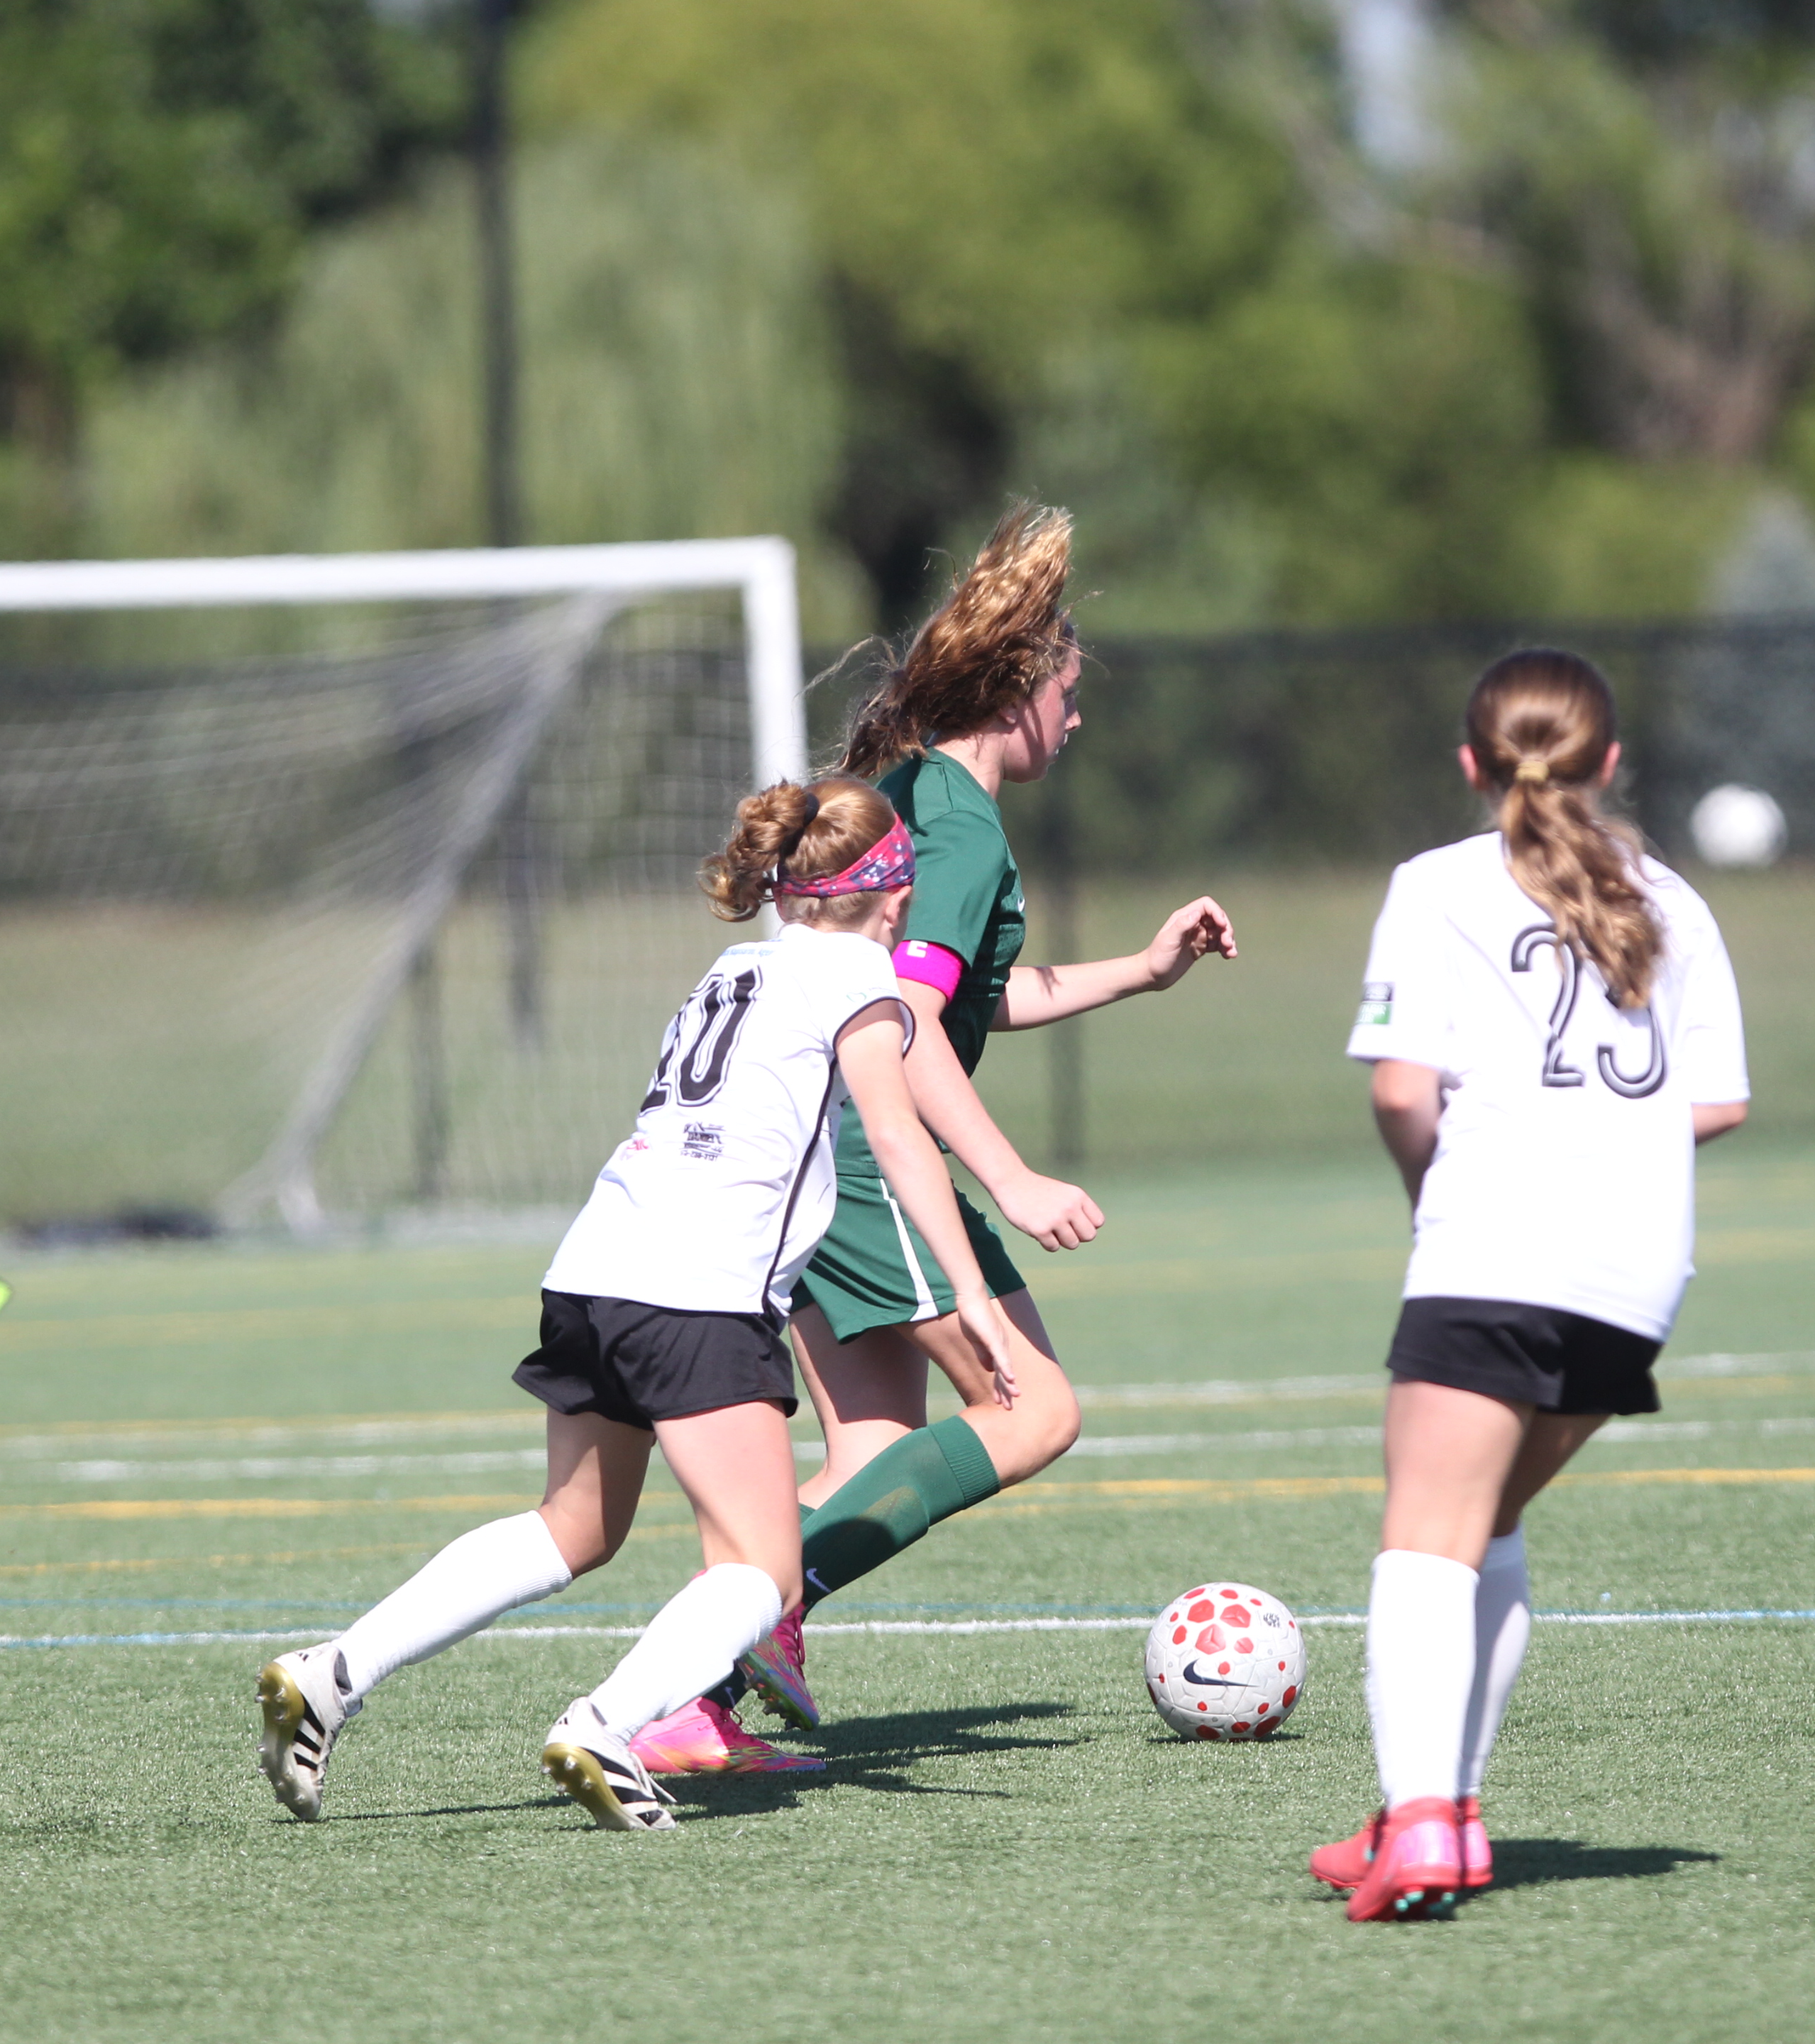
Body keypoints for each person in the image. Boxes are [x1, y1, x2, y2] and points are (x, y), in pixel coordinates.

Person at [256, 776, 1010, 1829]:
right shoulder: (858, 975)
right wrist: (970, 1290)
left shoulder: (738, 967)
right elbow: (894, 1133)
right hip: (697, 1293)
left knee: (573, 1527)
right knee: (764, 1572)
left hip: (596, 1266)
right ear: (893, 888)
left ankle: (335, 1671)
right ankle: (606, 1727)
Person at [636, 504, 1237, 1773]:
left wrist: (1142, 969)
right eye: (1069, 691)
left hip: (811, 1152)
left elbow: (967, 995)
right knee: (1035, 1408)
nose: (1078, 716)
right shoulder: (958, 825)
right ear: (1018, 695)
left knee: (872, 1450)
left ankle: (686, 1708)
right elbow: (907, 1025)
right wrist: (1009, 1179)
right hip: (869, 1160)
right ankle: (734, 1632)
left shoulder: (907, 794)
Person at [1308, 649, 1748, 1921]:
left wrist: (1434, 1199)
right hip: (1637, 1269)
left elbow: (1403, 1090)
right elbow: (1715, 1101)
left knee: (1423, 1542)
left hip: (1497, 1242)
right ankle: (1435, 1808)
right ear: (1611, 762)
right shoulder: (1674, 900)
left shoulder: (1438, 883)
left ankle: (1425, 1827)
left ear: (1471, 763)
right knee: (1487, 1525)